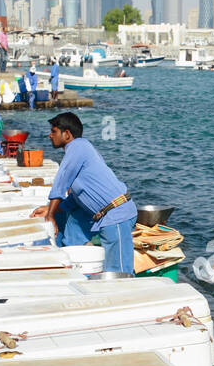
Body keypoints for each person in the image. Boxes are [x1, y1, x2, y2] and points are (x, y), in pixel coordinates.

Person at [31, 112, 136, 272]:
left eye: (53, 131)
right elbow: (75, 198)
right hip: (101, 213)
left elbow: (61, 180)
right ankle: (68, 264)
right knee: (71, 228)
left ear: (66, 134)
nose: (49, 135)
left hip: (115, 214)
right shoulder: (79, 150)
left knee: (119, 271)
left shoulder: (78, 146)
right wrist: (50, 209)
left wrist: (50, 215)